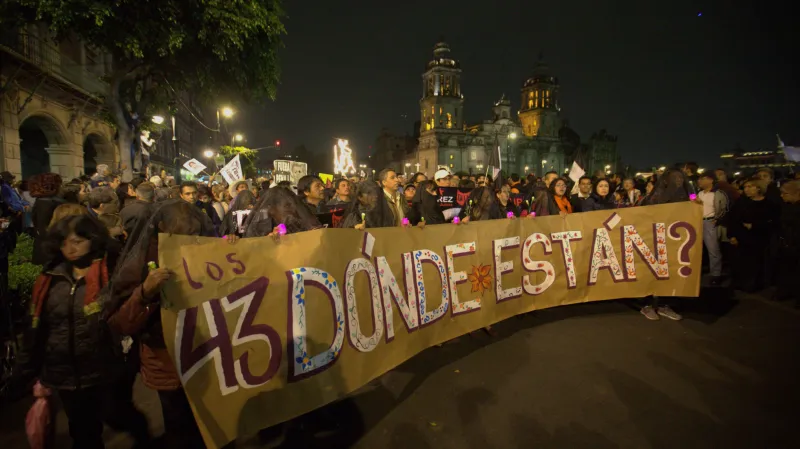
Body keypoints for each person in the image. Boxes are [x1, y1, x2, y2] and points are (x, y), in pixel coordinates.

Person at [12, 214, 151, 448]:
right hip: (64, 373)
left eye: (77, 241)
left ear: (93, 239)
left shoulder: (112, 269)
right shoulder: (50, 277)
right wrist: (24, 371)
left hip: (105, 369)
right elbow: (37, 327)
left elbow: (128, 314)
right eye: (64, 242)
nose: (70, 248)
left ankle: (143, 437)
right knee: (83, 433)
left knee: (117, 415)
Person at [106, 200, 215, 448]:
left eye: (194, 234)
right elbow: (119, 322)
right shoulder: (141, 261)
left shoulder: (207, 250)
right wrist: (144, 292)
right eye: (180, 234)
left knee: (209, 422)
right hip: (165, 359)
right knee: (178, 423)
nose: (188, 240)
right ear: (162, 227)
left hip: (207, 354)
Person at [639, 169, 692, 321]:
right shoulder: (658, 195)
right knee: (652, 271)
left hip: (675, 238)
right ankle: (647, 305)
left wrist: (696, 202)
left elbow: (693, 198)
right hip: (654, 237)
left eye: (680, 178)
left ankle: (665, 304)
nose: (678, 180)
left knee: (671, 272)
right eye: (675, 178)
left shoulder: (686, 194)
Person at [727, 177, 780, 293]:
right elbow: (732, 219)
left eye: (750, 187)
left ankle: (755, 284)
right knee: (740, 262)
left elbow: (773, 222)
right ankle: (740, 283)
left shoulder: (769, 204)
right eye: (745, 187)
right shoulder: (741, 203)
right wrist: (732, 236)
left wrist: (755, 225)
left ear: (759, 188)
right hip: (741, 238)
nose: (746, 189)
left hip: (759, 238)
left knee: (757, 263)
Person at [243, 187, 321, 237]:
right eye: (287, 206)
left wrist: (312, 234)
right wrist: (268, 242)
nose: (292, 210)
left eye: (293, 205)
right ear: (272, 209)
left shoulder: (297, 222)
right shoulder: (259, 228)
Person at [696, 172, 727, 285]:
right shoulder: (700, 193)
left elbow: (724, 208)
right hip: (699, 222)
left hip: (710, 221)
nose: (699, 181)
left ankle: (716, 274)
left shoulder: (717, 194)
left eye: (702, 179)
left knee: (713, 249)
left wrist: (718, 219)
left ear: (710, 180)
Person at [29, 173, 65, 265]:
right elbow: (44, 227)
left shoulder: (42, 200)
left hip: (46, 246)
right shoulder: (48, 202)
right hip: (51, 248)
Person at [775, 180, 800, 306]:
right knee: (788, 270)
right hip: (787, 244)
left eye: (785, 193)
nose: (782, 196)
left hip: (795, 244)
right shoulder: (787, 206)